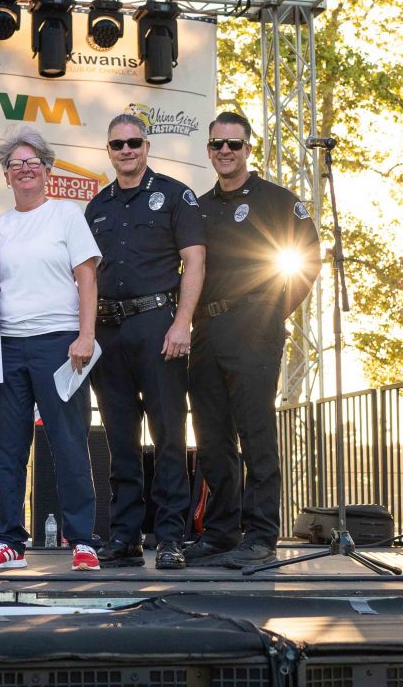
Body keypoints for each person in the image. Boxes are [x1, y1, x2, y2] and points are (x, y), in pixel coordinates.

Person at [185, 111, 321, 568]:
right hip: (205, 330)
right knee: (212, 436)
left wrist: (273, 310)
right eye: (217, 144)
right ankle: (222, 531)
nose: (225, 151)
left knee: (255, 431)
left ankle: (261, 534)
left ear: (248, 149)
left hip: (254, 328)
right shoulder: (197, 207)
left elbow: (308, 258)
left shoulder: (277, 200)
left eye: (234, 144)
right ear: (208, 150)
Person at [84, 114, 206, 570]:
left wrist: (183, 322)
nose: (126, 150)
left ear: (147, 145)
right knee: (120, 439)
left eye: (134, 141)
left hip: (158, 325)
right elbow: (86, 276)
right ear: (109, 150)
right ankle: (125, 536)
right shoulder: (97, 206)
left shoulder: (176, 195)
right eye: (117, 144)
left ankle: (171, 537)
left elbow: (194, 262)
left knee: (169, 435)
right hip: (109, 330)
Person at [0, 124, 102, 572]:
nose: (26, 170)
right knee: (7, 447)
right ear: (6, 176)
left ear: (47, 171)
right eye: (17, 164)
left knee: (69, 443)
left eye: (34, 163)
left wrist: (85, 335)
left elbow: (87, 277)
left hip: (60, 343)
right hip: (8, 347)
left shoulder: (68, 215)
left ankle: (83, 541)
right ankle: (9, 539)